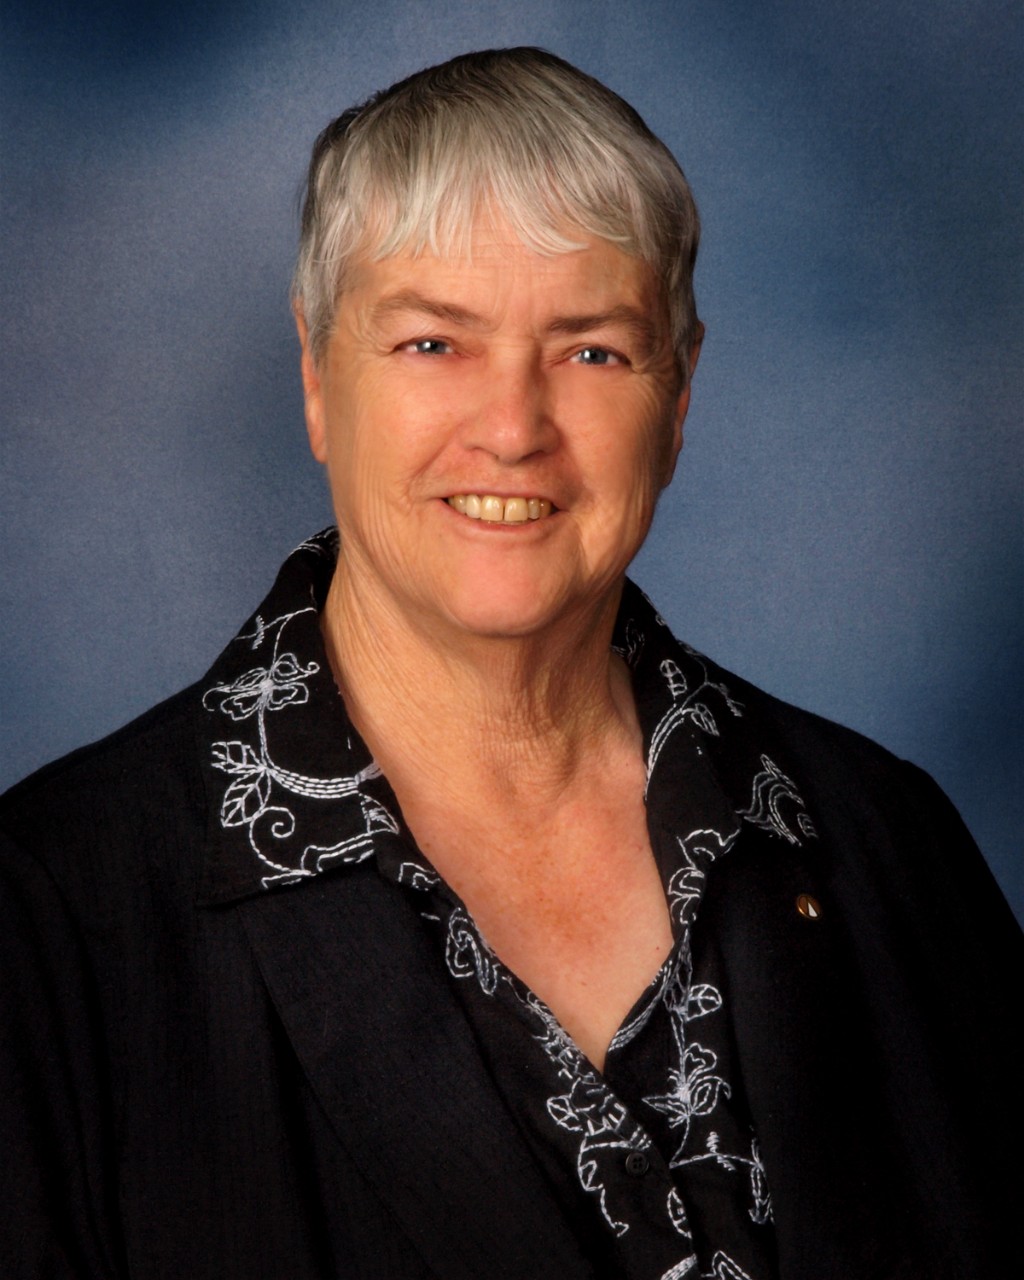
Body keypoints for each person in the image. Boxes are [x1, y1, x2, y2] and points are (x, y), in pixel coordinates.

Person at [0, 47, 1018, 1280]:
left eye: (592, 351)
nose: (514, 427)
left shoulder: (883, 838)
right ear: (317, 374)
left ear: (679, 396)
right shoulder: (53, 911)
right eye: (434, 342)